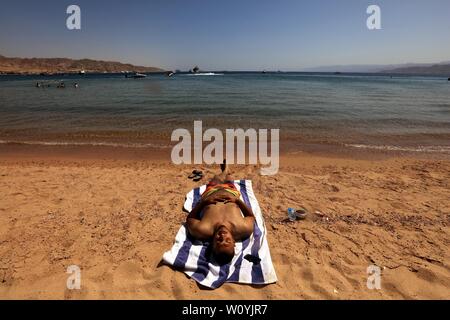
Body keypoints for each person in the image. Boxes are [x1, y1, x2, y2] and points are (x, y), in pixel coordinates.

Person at [186, 162, 255, 265]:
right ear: (234, 243)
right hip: (231, 191)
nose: (223, 236)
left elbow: (190, 218)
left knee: (216, 178)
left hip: (211, 191)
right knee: (229, 178)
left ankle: (224, 170)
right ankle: (226, 169)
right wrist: (237, 201)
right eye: (227, 241)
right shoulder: (244, 228)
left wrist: (204, 202)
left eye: (219, 241)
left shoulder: (202, 230)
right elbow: (250, 216)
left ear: (212, 244)